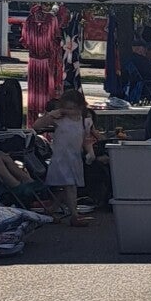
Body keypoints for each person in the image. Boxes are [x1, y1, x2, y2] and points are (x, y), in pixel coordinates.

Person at [37, 87, 95, 224]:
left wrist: (90, 151)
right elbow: (36, 126)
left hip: (75, 158)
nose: (70, 112)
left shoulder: (84, 121)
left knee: (70, 186)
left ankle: (52, 209)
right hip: (61, 158)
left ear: (80, 107)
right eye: (67, 108)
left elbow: (86, 140)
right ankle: (74, 215)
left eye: (73, 108)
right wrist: (51, 115)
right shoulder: (60, 120)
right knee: (70, 185)